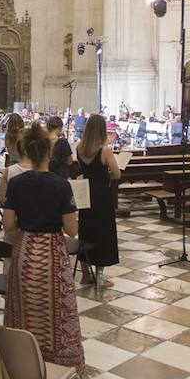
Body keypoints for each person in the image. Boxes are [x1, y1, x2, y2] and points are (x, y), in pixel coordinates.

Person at [3, 125, 84, 374]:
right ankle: (55, 372)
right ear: (48, 153)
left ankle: (23, 370)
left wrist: (26, 237)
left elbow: (8, 226)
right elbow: (71, 230)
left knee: (23, 311)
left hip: (25, 253)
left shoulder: (16, 183)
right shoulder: (60, 185)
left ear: (25, 150)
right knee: (56, 312)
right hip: (51, 253)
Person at [74, 112, 121, 287]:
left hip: (85, 193)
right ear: (102, 130)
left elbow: (83, 168)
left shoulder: (79, 148)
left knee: (86, 232)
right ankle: (100, 278)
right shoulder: (105, 150)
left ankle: (85, 275)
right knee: (103, 234)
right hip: (101, 195)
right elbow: (116, 174)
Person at [47, 115, 74, 179]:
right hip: (60, 177)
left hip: (47, 177)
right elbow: (70, 161)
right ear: (59, 128)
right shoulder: (63, 142)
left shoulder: (42, 141)